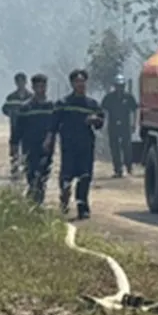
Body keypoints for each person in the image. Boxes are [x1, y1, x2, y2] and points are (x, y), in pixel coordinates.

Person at [55, 68, 106, 220]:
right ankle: (64, 197)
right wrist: (49, 139)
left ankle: (82, 207)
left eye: (82, 81)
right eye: (77, 81)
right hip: (69, 146)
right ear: (72, 84)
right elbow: (54, 124)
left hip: (86, 146)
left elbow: (100, 122)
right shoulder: (63, 103)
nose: (80, 84)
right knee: (66, 176)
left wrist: (96, 120)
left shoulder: (92, 104)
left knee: (85, 177)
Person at [16, 74, 57, 206]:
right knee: (31, 172)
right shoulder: (26, 107)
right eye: (37, 86)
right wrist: (13, 143)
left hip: (46, 146)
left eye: (43, 86)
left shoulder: (51, 106)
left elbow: (55, 126)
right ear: (33, 87)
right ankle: (34, 197)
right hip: (29, 146)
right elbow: (18, 128)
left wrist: (50, 139)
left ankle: (38, 199)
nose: (40, 89)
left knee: (43, 173)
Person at [101, 75, 138, 178]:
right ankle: (118, 169)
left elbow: (134, 110)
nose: (120, 88)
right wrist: (103, 123)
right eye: (118, 86)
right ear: (114, 86)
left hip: (125, 126)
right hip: (113, 126)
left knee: (127, 147)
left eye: (121, 86)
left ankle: (129, 167)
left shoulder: (129, 97)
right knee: (114, 148)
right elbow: (103, 111)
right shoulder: (109, 98)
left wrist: (134, 124)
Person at [1, 72, 31, 180]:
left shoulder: (31, 97)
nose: (20, 84)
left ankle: (27, 169)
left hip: (28, 128)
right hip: (15, 126)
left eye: (22, 81)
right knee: (14, 148)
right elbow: (4, 109)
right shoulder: (11, 97)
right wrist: (11, 114)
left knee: (27, 149)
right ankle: (14, 170)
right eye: (18, 82)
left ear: (25, 82)